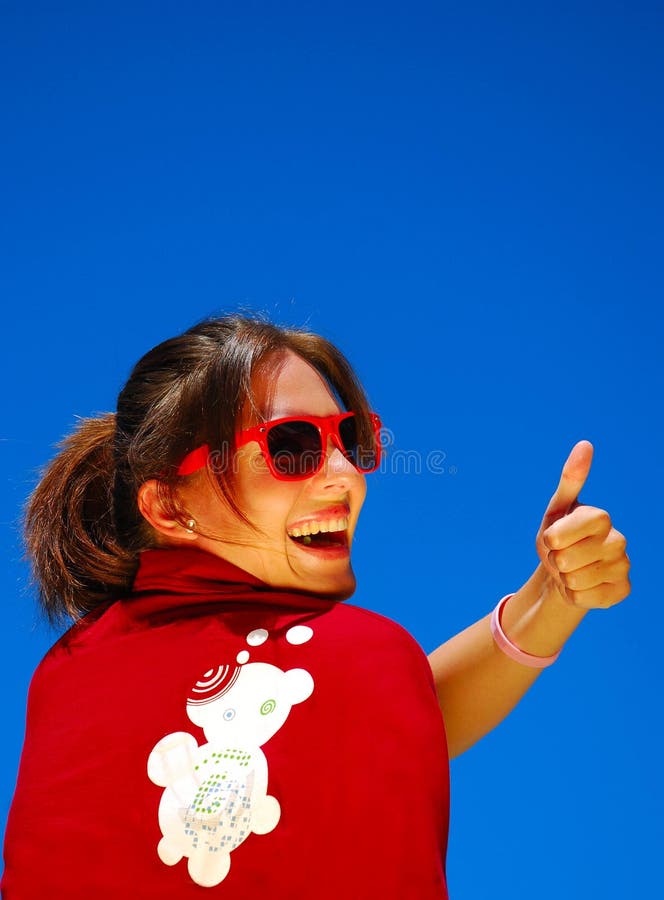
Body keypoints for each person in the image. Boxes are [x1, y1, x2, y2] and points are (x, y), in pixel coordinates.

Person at [1, 314, 630, 899]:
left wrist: (549, 599)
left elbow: (381, 719)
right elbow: (379, 709)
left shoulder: (63, 671)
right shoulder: (365, 659)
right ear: (169, 506)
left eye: (350, 439)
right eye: (291, 446)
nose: (345, 475)